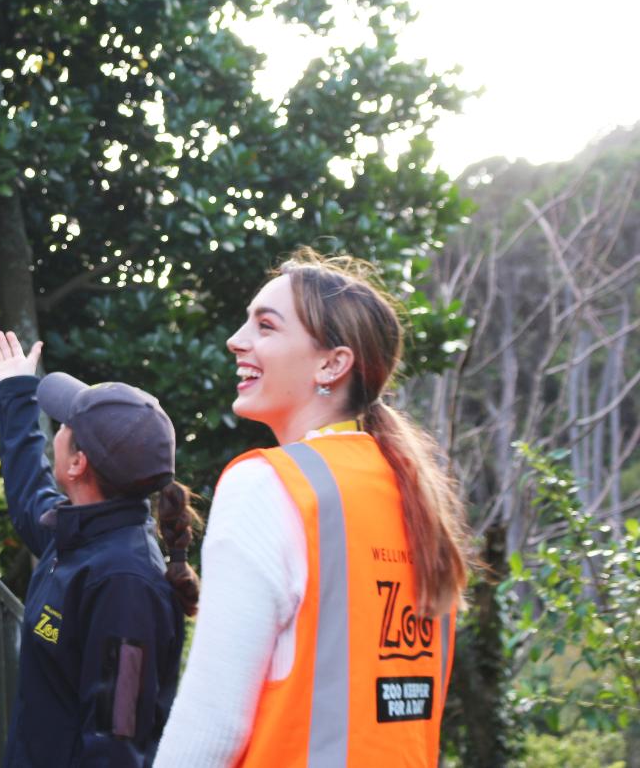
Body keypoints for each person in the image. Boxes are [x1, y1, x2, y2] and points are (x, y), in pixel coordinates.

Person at [154, 249, 472, 766]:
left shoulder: (268, 485)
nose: (237, 340)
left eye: (266, 326)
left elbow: (212, 722)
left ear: (332, 363)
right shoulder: (413, 492)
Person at [0, 330, 201, 767]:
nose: (58, 432)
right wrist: (15, 391)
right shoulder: (81, 535)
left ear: (79, 464)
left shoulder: (125, 585)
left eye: (63, 427)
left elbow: (117, 739)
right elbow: (29, 500)